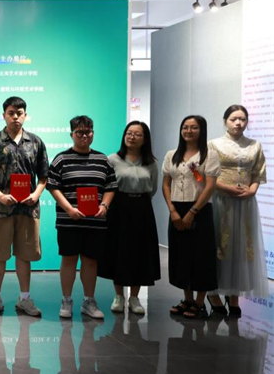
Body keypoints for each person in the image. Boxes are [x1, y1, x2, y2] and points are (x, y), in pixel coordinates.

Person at [0, 96, 48, 317]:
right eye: (11, 113)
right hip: (0, 209)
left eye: (19, 113)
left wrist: (36, 194)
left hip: (27, 209)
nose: (15, 117)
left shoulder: (36, 142)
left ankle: (24, 298)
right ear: (4, 115)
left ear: (25, 115)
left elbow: (44, 175)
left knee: (24, 255)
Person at [48, 115, 117, 320]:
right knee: (69, 259)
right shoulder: (61, 159)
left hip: (95, 221)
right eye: (80, 132)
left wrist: (104, 205)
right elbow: (53, 186)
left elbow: (111, 186)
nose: (84, 136)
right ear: (72, 134)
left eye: (88, 132)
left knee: (90, 261)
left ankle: (89, 301)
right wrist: (69, 209)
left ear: (93, 133)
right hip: (69, 220)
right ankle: (66, 300)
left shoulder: (102, 160)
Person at [207, 105, 268, 318]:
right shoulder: (213, 144)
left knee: (241, 248)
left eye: (242, 119)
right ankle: (212, 293)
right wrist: (226, 188)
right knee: (218, 244)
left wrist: (252, 191)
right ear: (225, 121)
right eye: (234, 119)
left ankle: (234, 296)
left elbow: (258, 173)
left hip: (245, 203)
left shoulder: (254, 145)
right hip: (221, 200)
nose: (238, 123)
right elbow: (207, 175)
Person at [98, 121, 160, 315]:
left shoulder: (151, 163)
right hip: (118, 208)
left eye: (137, 134)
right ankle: (119, 296)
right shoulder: (112, 159)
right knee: (118, 251)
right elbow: (106, 185)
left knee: (140, 252)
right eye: (129, 133)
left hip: (142, 209)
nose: (132, 137)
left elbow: (153, 188)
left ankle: (134, 297)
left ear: (145, 139)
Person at [163, 115, 219, 319]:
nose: (188, 131)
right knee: (181, 255)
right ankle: (187, 299)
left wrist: (192, 212)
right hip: (176, 209)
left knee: (201, 256)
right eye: (185, 127)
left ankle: (199, 303)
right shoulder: (172, 154)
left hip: (200, 209)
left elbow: (210, 186)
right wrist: (172, 211)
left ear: (201, 130)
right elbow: (166, 184)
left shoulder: (210, 155)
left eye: (193, 127)